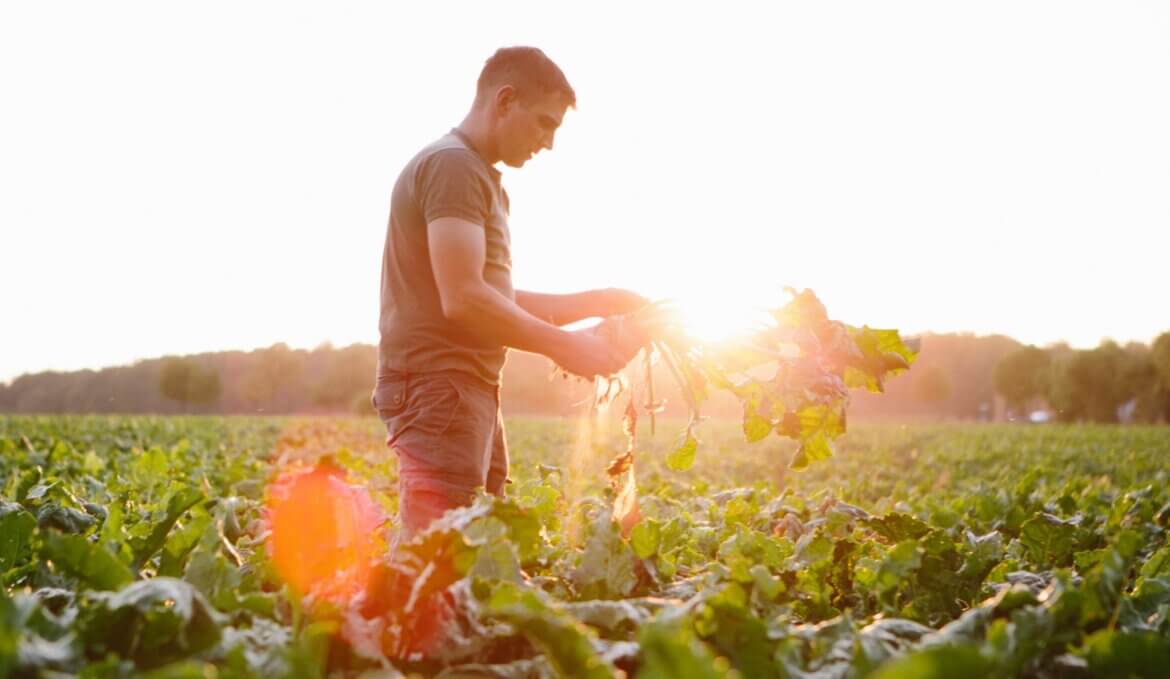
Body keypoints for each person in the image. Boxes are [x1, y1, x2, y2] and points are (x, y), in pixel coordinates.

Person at [372, 46, 647, 542]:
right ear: (504, 100)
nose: (548, 143)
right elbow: (465, 299)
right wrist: (568, 346)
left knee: (471, 556)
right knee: (438, 562)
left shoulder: (478, 177)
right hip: (441, 386)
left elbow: (491, 294)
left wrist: (598, 300)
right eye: (545, 124)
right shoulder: (452, 167)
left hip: (464, 387)